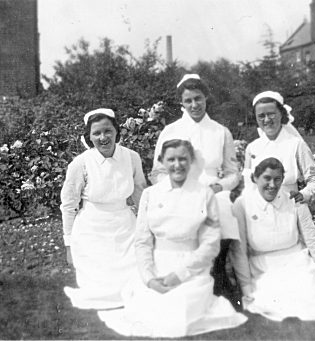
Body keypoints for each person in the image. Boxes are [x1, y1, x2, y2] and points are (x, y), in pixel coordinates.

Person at [98, 139, 247, 337]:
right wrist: (149, 278)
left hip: (191, 267)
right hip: (158, 264)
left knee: (182, 310)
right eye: (171, 159)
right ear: (162, 162)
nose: (178, 165)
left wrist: (180, 275)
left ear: (191, 161)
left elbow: (210, 245)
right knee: (152, 305)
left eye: (183, 159)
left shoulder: (205, 194)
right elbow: (142, 241)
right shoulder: (150, 194)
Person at [231, 157, 315, 321]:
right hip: (263, 268)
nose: (272, 185)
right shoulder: (242, 204)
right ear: (255, 178)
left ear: (283, 180)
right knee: (271, 300)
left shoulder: (294, 200)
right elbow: (239, 251)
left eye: (277, 179)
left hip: (297, 262)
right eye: (267, 178)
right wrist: (246, 290)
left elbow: (314, 243)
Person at [150, 74, 241, 300]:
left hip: (212, 191)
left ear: (206, 98)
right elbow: (157, 172)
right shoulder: (170, 132)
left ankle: (218, 278)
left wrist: (219, 187)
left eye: (198, 98)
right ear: (181, 102)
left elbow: (233, 173)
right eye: (188, 100)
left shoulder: (220, 132)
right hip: (178, 192)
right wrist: (176, 189)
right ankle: (186, 283)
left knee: (224, 214)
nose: (194, 105)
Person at [60, 108, 146, 310]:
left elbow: (140, 193)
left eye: (108, 131)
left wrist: (146, 227)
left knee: (134, 285)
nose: (103, 137)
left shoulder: (132, 157)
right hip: (92, 230)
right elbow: (69, 205)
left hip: (125, 227)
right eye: (96, 133)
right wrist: (69, 245)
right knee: (99, 291)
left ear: (117, 132)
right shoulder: (80, 163)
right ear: (89, 137)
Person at [243, 91, 315, 204]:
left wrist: (303, 194)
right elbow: (247, 185)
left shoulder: (296, 145)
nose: (266, 120)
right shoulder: (252, 148)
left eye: (271, 114)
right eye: (261, 116)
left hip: (292, 210)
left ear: (281, 113)